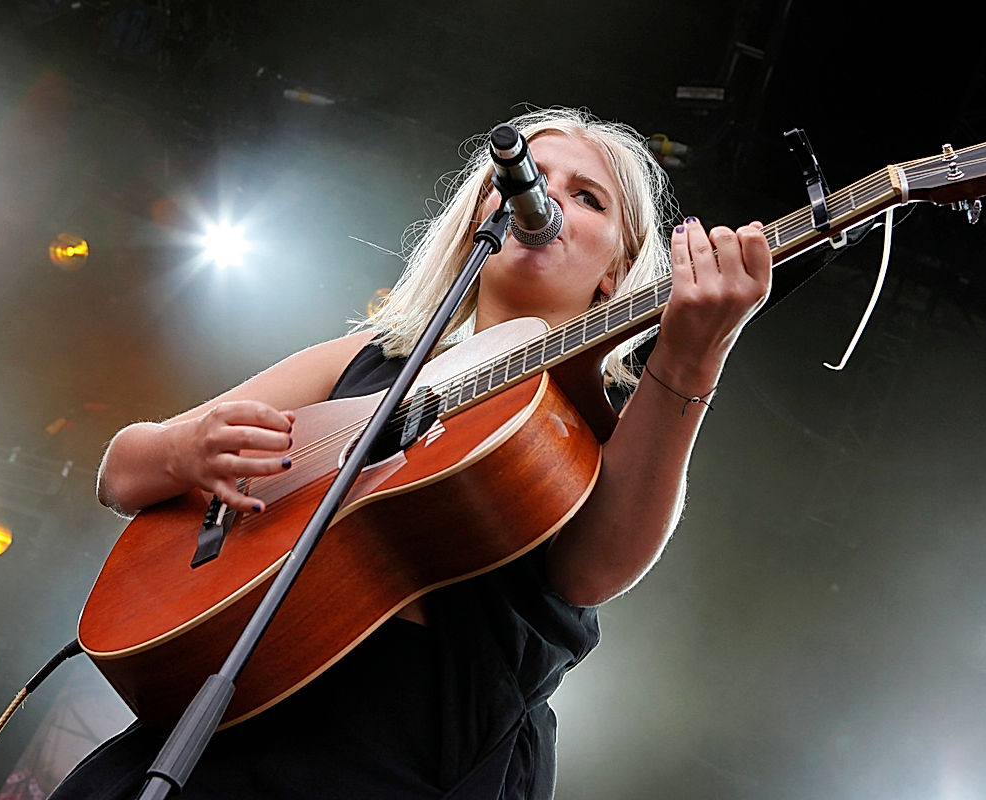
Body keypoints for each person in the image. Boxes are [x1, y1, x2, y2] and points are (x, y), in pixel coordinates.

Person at [49, 107, 771, 799]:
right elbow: (121, 472)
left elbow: (593, 571)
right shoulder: (367, 363)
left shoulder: (593, 427)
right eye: (527, 174)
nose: (544, 193)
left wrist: (689, 361)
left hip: (407, 755)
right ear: (480, 220)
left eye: (587, 196)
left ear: (617, 269)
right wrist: (186, 449)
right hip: (224, 722)